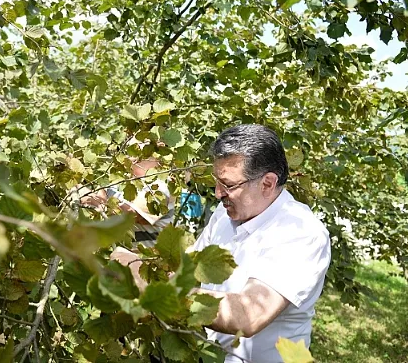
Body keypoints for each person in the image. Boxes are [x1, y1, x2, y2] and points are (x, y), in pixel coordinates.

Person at [112, 124, 331, 362]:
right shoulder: (226, 213)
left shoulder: (300, 233)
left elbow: (247, 315)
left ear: (267, 183)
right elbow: (192, 268)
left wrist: (154, 287)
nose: (217, 193)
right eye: (217, 181)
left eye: (228, 185)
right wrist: (145, 265)